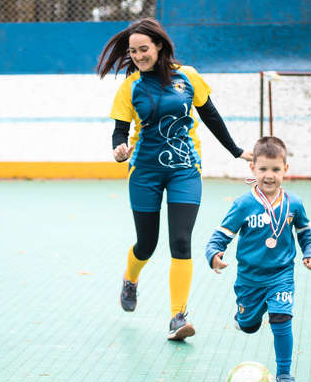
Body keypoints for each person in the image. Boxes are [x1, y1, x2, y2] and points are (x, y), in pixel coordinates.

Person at [97, 17, 253, 341]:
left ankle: (177, 317)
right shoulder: (130, 87)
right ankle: (130, 278)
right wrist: (118, 148)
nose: (138, 56)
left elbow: (210, 116)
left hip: (185, 170)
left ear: (159, 46)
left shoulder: (188, 77)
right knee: (147, 244)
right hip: (145, 172)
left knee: (180, 241)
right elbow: (119, 130)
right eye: (133, 52)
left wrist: (236, 151)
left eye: (144, 49)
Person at [205, 136, 311, 382]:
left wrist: (310, 253)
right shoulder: (243, 205)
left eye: (276, 169)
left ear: (285, 170)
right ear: (252, 168)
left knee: (281, 317)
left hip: (281, 275)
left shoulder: (294, 204)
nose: (269, 176)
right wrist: (214, 253)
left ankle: (285, 375)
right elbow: (221, 235)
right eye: (263, 169)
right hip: (249, 278)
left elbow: (306, 234)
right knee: (249, 325)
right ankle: (244, 317)